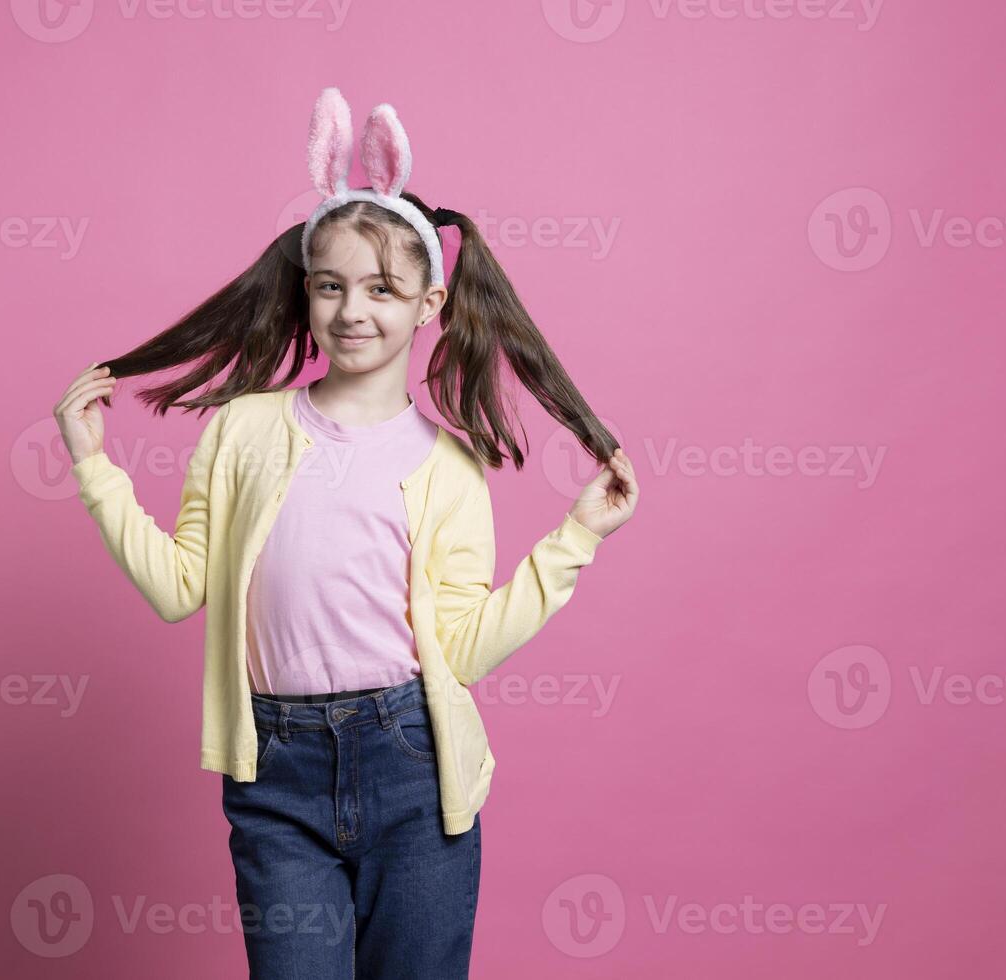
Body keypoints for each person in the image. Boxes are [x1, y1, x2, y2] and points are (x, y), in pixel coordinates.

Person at [51, 87, 639, 979]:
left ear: (428, 303)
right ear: (305, 291)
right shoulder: (243, 429)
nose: (352, 310)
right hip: (273, 771)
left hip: (414, 767)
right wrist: (96, 468)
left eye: (381, 288)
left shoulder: (450, 467)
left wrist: (577, 537)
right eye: (330, 285)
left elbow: (463, 647)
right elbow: (179, 588)